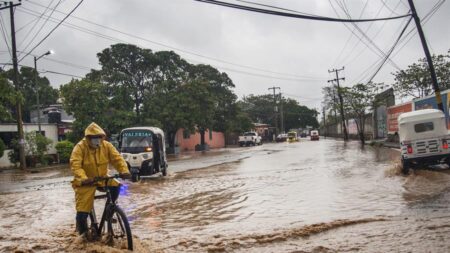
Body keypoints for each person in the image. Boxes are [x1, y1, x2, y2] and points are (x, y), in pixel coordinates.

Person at [70, 122, 130, 238]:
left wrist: (124, 171)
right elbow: (75, 165)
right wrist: (84, 179)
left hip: (103, 178)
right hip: (86, 182)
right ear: (88, 138)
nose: (97, 140)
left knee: (116, 185)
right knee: (82, 212)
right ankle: (83, 236)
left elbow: (117, 159)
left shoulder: (106, 146)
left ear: (102, 137)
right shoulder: (80, 147)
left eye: (99, 137)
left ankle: (110, 211)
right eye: (94, 138)